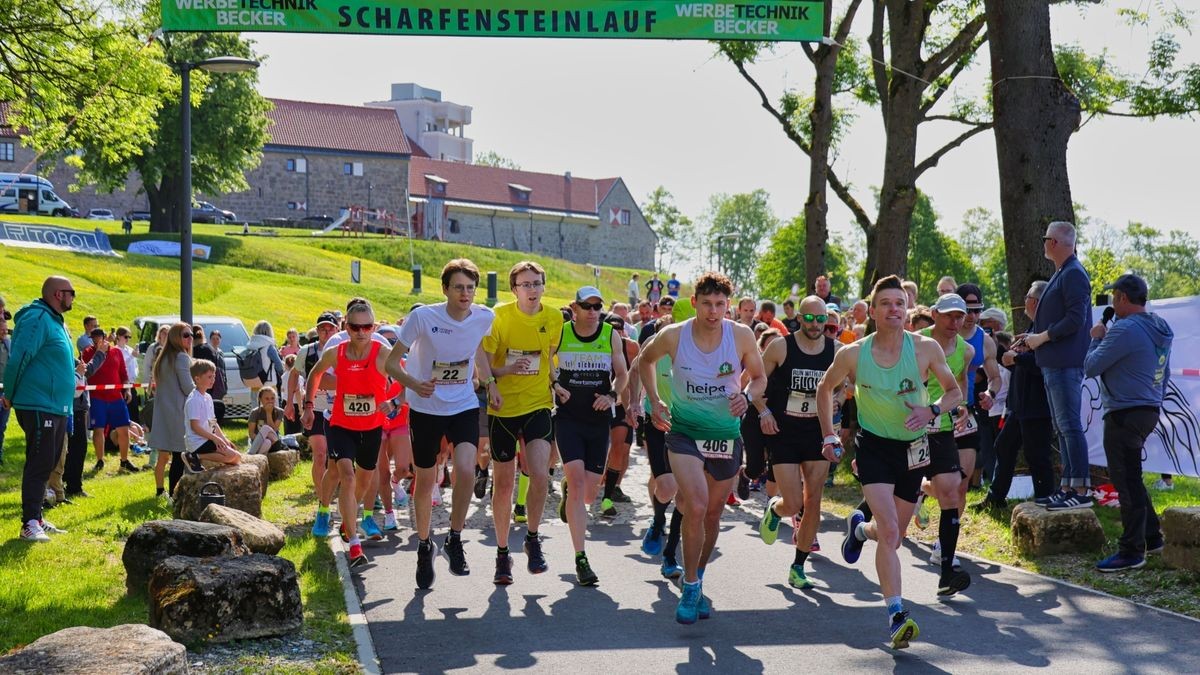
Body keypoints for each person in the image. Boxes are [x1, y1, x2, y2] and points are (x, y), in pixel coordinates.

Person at [817, 275, 962, 649]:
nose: (894, 309)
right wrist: (829, 435)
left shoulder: (926, 348)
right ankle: (897, 614)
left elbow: (953, 392)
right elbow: (824, 388)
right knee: (893, 534)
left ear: (907, 309)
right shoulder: (853, 353)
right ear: (874, 310)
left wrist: (931, 410)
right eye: (886, 303)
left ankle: (859, 529)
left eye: (900, 303)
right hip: (874, 447)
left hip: (913, 448)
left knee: (893, 533)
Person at [637, 271, 767, 625]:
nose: (713, 311)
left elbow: (759, 377)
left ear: (729, 307)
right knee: (694, 504)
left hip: (726, 436)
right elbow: (643, 360)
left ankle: (698, 576)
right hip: (684, 432)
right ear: (694, 303)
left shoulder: (740, 335)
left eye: (720, 305)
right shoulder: (674, 335)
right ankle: (690, 585)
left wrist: (747, 396)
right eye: (707, 304)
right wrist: (654, 399)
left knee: (712, 514)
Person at [385, 260, 496, 587]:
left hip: (462, 403)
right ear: (445, 289)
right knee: (425, 477)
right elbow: (392, 363)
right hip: (424, 406)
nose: (465, 293)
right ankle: (423, 544)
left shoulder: (484, 316)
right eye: (459, 287)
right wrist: (413, 383)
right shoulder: (423, 317)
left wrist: (485, 381)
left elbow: (477, 348)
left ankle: (455, 537)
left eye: (470, 288)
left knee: (465, 469)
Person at [1085, 274, 1172, 571]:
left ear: (1122, 297)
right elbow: (1165, 373)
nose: (1111, 302)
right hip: (1147, 407)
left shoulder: (1123, 329)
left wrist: (1096, 337)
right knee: (1132, 476)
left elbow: (1092, 366)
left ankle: (1132, 551)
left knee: (1125, 481)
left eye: (1113, 297)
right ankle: (1152, 535)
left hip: (1124, 411)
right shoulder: (1160, 326)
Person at [483, 261, 563, 582]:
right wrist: (493, 383)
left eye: (536, 283)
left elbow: (548, 359)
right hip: (502, 409)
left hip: (538, 404)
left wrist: (556, 383)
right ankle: (503, 554)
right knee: (504, 484)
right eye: (524, 284)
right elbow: (486, 358)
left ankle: (532, 538)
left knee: (540, 475)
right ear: (514, 289)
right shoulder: (499, 316)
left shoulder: (554, 317)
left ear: (544, 286)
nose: (531, 290)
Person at [756, 296, 843, 589]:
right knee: (793, 503)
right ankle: (776, 509)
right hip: (784, 432)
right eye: (810, 319)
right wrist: (763, 411)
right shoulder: (781, 347)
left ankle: (798, 565)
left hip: (817, 434)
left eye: (823, 320)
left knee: (813, 500)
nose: (816, 325)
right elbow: (753, 383)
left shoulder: (837, 351)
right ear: (799, 318)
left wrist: (839, 399)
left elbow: (850, 386)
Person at [305, 301, 393, 568]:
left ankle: (349, 518)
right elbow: (314, 374)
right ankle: (352, 543)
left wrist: (394, 401)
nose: (361, 332)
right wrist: (309, 405)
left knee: (364, 481)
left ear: (373, 326)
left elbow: (404, 375)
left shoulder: (382, 350)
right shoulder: (336, 350)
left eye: (367, 326)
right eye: (355, 326)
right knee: (345, 475)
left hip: (372, 426)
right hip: (340, 424)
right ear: (347, 326)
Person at [552, 286, 629, 585]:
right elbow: (547, 362)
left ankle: (569, 491)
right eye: (587, 306)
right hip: (569, 418)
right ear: (574, 307)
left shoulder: (610, 334)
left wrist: (612, 396)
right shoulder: (561, 333)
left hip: (598, 422)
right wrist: (554, 385)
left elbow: (622, 374)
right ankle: (581, 558)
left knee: (588, 493)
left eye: (598, 306)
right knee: (576, 479)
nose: (593, 312)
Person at [1022, 221, 1094, 509]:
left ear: (1054, 242)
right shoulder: (1064, 272)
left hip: (1065, 363)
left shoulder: (1074, 274)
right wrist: (1035, 337)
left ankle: (1080, 490)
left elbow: (1076, 319)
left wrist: (1042, 336)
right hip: (1054, 362)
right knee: (1062, 427)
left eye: (1046, 238)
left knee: (1069, 426)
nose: (1044, 243)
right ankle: (1068, 487)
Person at [2, 276, 77, 542]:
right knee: (39, 461)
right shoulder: (37, 318)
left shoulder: (55, 320)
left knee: (48, 461)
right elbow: (19, 358)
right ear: (58, 294)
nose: (73, 298)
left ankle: (38, 518)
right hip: (38, 404)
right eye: (71, 293)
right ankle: (28, 524)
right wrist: (8, 394)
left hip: (55, 406)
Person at [979, 282, 1057, 508]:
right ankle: (996, 497)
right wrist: (1003, 352)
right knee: (1003, 446)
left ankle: (1045, 499)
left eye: (1027, 296)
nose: (1024, 300)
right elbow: (1020, 365)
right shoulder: (1034, 326)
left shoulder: (1048, 329)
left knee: (1038, 455)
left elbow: (1045, 364)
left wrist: (1018, 358)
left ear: (1035, 301)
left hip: (1037, 405)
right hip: (1019, 405)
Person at [916, 293, 974, 592]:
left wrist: (959, 404)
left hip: (941, 425)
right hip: (908, 425)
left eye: (960, 316)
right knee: (889, 521)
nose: (954, 321)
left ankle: (947, 570)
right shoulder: (914, 341)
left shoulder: (965, 350)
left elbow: (960, 381)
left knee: (951, 490)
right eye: (949, 315)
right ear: (935, 314)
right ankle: (861, 528)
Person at [290, 313, 338, 514]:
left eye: (330, 328)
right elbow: (294, 374)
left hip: (339, 408)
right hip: (315, 408)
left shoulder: (342, 350)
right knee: (320, 455)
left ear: (336, 330)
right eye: (322, 328)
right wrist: (289, 403)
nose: (326, 332)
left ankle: (335, 496)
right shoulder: (307, 351)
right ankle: (322, 502)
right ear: (317, 331)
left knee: (336, 460)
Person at [148, 323, 194, 500]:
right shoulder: (181, 357)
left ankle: (160, 491)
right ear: (176, 337)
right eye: (185, 335)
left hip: (163, 413)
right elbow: (187, 387)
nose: (190, 338)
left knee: (163, 456)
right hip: (178, 412)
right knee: (179, 455)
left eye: (191, 335)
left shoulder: (163, 357)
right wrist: (202, 394)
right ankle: (175, 495)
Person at [80, 328, 136, 473]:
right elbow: (86, 372)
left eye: (99, 337)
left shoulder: (116, 352)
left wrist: (128, 389)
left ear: (105, 337)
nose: (97, 340)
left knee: (124, 429)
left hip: (116, 397)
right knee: (98, 430)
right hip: (97, 397)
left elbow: (123, 373)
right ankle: (100, 460)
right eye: (93, 337)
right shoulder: (87, 353)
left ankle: (124, 461)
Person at [181, 359, 241, 472]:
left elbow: (212, 421)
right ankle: (195, 455)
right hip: (198, 442)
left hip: (208, 439)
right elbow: (195, 427)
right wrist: (215, 439)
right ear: (197, 379)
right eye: (209, 377)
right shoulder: (194, 399)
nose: (213, 380)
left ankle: (198, 456)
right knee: (232, 456)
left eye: (213, 376)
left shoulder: (208, 397)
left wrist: (223, 439)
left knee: (237, 458)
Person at [244, 320, 286, 394]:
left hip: (254, 383)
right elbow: (279, 366)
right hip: (269, 384)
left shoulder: (250, 345)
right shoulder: (269, 347)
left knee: (256, 405)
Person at [248, 386, 285, 455]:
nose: (270, 401)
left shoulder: (279, 412)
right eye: (267, 399)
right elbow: (251, 434)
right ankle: (256, 456)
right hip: (259, 443)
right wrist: (261, 440)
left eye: (272, 398)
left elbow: (274, 430)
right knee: (267, 442)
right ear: (260, 399)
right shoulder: (255, 412)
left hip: (275, 442)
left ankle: (250, 454)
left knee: (266, 428)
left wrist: (268, 413)